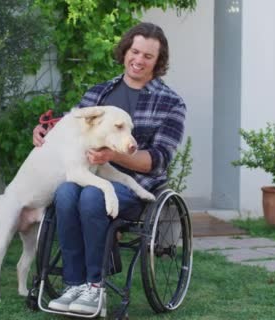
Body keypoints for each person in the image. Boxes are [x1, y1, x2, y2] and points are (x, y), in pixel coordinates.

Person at [32, 22, 186, 315]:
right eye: (135, 51)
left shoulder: (171, 103)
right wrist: (42, 132)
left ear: (158, 62)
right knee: (65, 192)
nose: (139, 60)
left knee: (91, 197)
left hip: (135, 185)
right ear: (126, 50)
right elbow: (70, 126)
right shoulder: (99, 93)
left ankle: (94, 287)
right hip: (88, 176)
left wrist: (111, 156)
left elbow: (159, 159)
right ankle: (73, 283)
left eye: (148, 56)